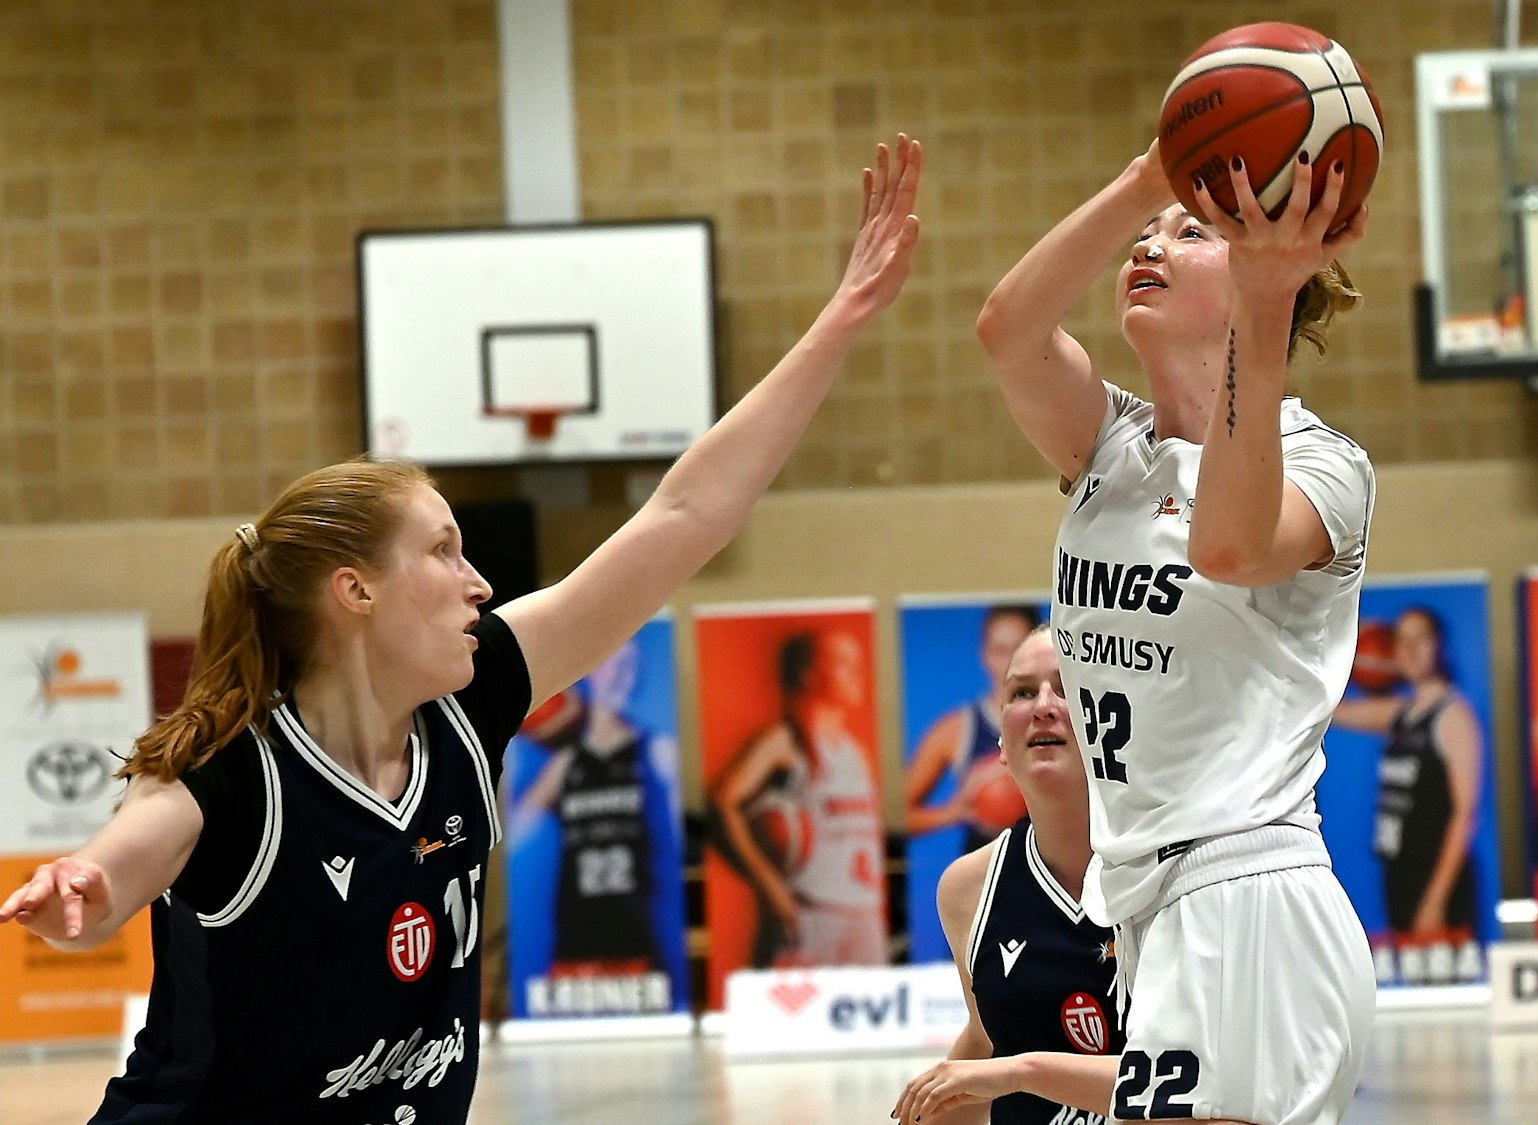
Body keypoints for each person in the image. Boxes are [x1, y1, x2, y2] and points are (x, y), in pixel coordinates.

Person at [0, 134, 924, 1123]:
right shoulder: (237, 772)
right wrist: (86, 890)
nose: (479, 584)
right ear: (354, 592)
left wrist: (843, 316)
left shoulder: (470, 705)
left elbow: (682, 519)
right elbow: (133, 850)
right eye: (444, 552)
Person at [976, 140, 1376, 1124]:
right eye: (1146, 236)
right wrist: (1146, 179)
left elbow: (1233, 547)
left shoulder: (1325, 465)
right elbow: (1006, 331)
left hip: (1246, 893)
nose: (1148, 246)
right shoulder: (1108, 445)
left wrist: (1268, 307)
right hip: (1148, 906)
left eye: (1188, 234)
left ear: (1250, 283)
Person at [894, 626, 1122, 1125]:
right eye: (1022, 691)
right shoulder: (967, 889)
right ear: (1000, 741)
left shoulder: (1174, 868)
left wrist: (1021, 1072)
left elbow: (1209, 1076)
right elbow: (985, 1038)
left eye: (1069, 688)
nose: (1043, 705)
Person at [510, 638, 679, 1015]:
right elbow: (513, 833)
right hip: (576, 930)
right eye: (612, 665)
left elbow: (678, 841)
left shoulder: (655, 751)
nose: (621, 675)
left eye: (630, 667)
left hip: (637, 928)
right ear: (591, 672)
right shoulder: (566, 762)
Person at [709, 627, 889, 968]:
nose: (857, 673)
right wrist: (771, 886)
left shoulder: (857, 752)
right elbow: (723, 802)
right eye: (843, 664)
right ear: (809, 674)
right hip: (812, 914)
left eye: (858, 664)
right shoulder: (785, 741)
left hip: (865, 914)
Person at [1331, 606, 1483, 979]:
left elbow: (1466, 814)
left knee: (1444, 990)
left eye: (1421, 639)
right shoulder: (1403, 712)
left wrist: (1436, 898)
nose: (1410, 650)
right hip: (1400, 872)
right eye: (1401, 641)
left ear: (1440, 646)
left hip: (1437, 879)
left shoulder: (1453, 716)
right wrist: (1348, 648)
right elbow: (1331, 709)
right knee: (1413, 987)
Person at [906, 604, 1042, 852]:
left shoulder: (1060, 718)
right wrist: (953, 812)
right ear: (985, 654)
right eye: (1000, 650)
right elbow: (900, 814)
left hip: (1050, 866)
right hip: (983, 868)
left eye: (1017, 649)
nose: (1009, 662)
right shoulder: (957, 729)